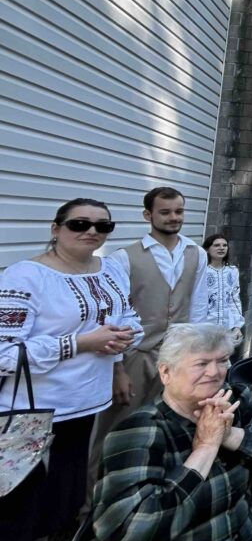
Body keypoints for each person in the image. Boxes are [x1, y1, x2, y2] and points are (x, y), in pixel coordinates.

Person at [0, 199, 142, 541]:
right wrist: (79, 343)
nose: (92, 231)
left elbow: (126, 316)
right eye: (79, 224)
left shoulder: (110, 270)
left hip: (86, 405)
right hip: (33, 413)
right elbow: (4, 353)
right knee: (19, 508)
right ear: (56, 228)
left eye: (103, 226)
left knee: (57, 503)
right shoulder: (25, 277)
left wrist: (123, 343)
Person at [92, 324, 252, 541]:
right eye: (201, 363)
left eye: (222, 360)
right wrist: (206, 447)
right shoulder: (139, 432)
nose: (215, 372)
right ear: (166, 372)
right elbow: (128, 534)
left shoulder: (230, 400)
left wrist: (230, 436)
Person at [91, 187, 208, 480]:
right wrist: (118, 367)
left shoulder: (197, 254)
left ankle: (154, 484)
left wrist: (196, 355)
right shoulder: (123, 258)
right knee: (116, 428)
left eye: (178, 211)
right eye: (165, 212)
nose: (173, 217)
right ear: (148, 215)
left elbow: (198, 309)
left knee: (168, 424)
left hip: (177, 356)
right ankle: (94, 496)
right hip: (135, 355)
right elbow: (113, 315)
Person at [201, 233, 244, 353]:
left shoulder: (232, 271)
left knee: (223, 359)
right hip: (204, 328)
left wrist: (237, 326)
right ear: (207, 249)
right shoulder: (201, 271)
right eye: (216, 245)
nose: (221, 248)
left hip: (226, 328)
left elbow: (234, 299)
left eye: (224, 245)